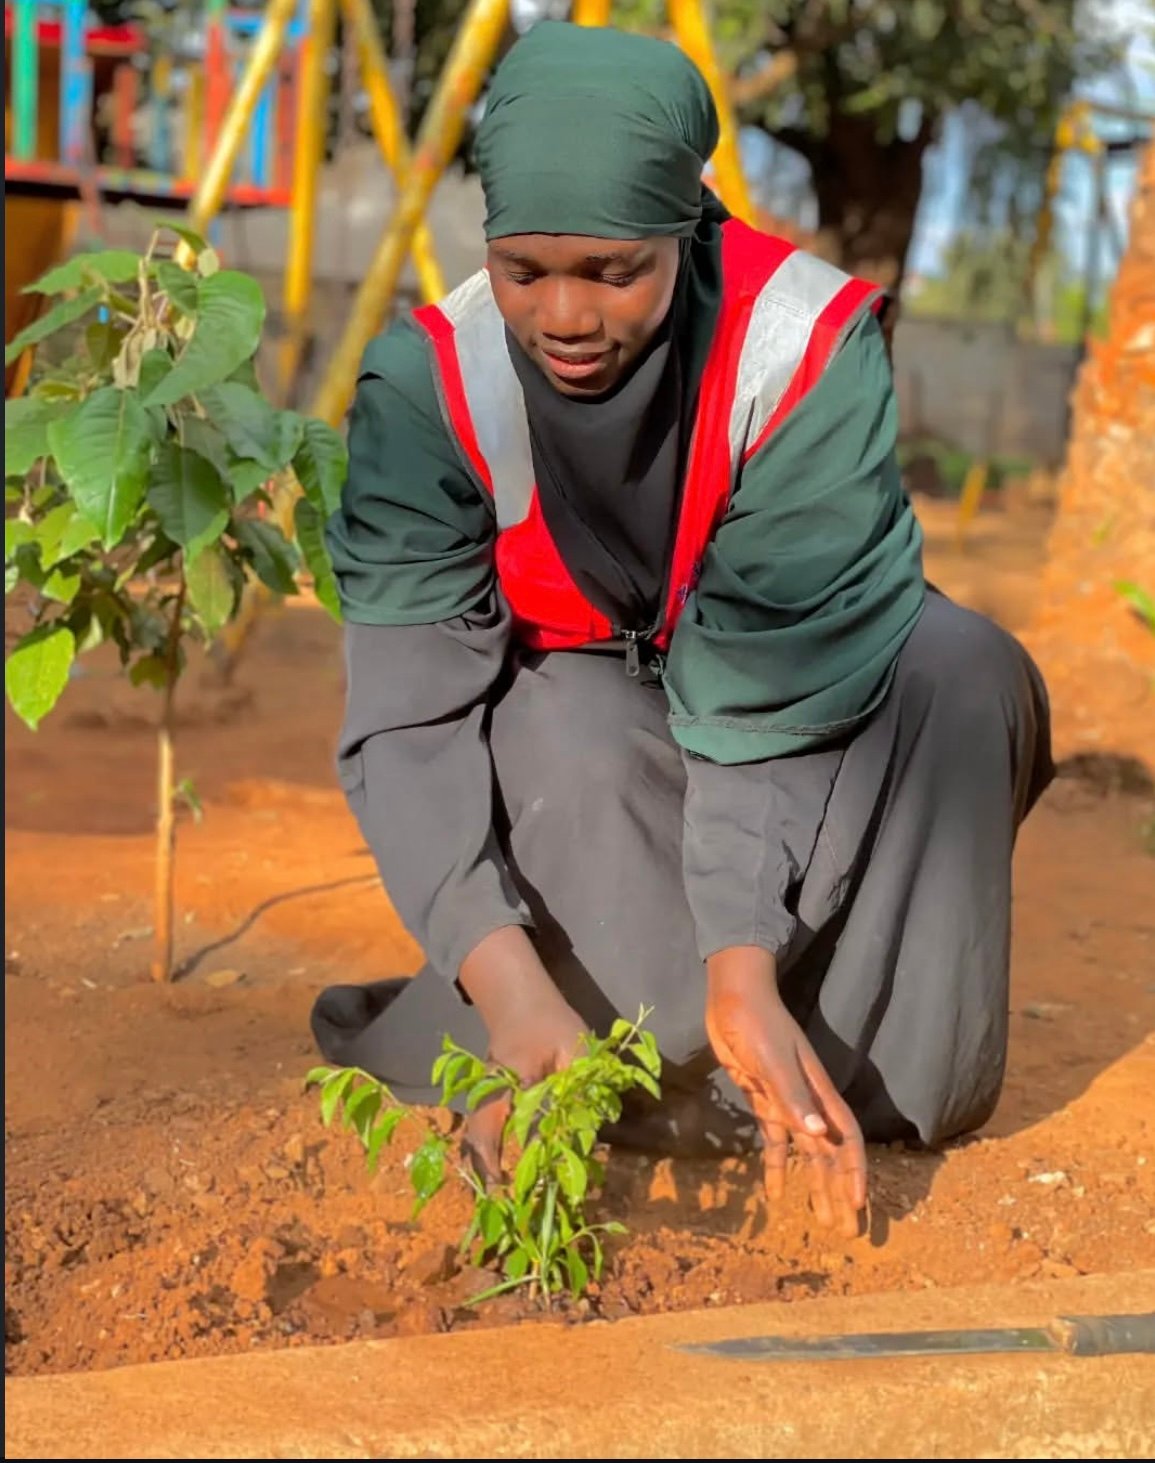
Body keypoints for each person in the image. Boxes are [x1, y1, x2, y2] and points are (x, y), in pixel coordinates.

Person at [313, 22, 1053, 1240]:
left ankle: (853, 1060)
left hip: (788, 707)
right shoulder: (428, 388)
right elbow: (408, 719)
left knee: (960, 669)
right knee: (576, 719)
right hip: (595, 736)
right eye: (524, 270)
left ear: (689, 225)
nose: (565, 315)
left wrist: (742, 959)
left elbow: (768, 682)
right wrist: (506, 989)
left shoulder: (801, 346)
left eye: (615, 272)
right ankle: (594, 1039)